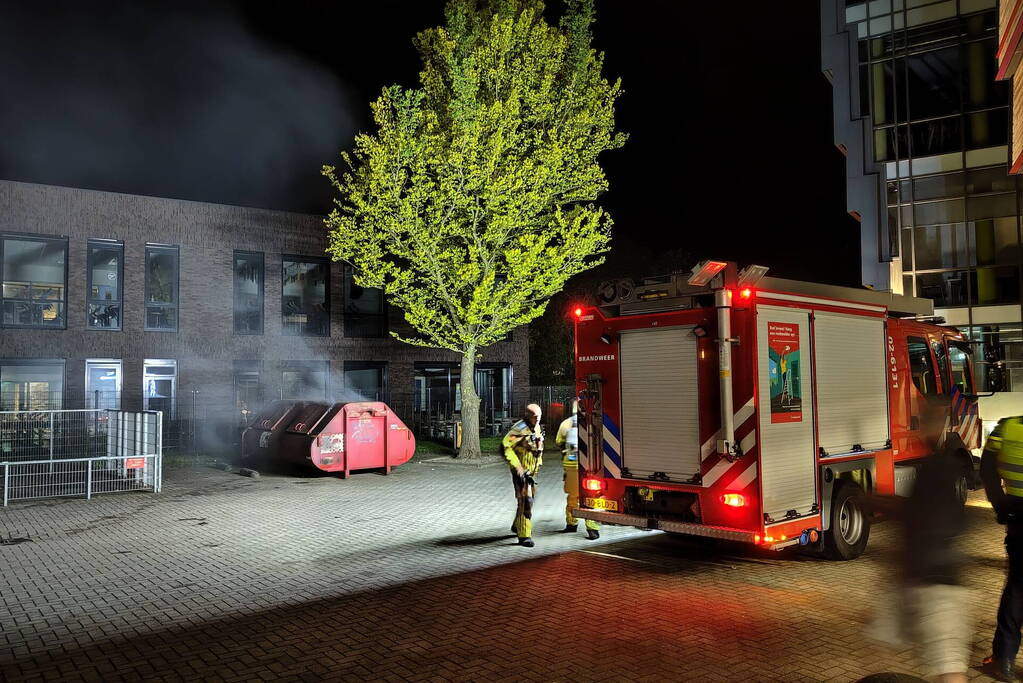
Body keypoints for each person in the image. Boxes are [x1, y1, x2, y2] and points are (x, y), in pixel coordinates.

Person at [899, 398, 971, 683]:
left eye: (931, 421)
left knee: (949, 665)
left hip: (939, 581)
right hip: (938, 579)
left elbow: (936, 520)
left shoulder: (939, 466)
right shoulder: (941, 465)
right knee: (945, 663)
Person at [982, 415, 1023, 681]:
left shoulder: (1008, 427)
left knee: (1017, 590)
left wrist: (1001, 508)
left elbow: (986, 469)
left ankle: (1004, 661)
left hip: (1020, 518)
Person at [556, 399, 600, 540]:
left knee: (573, 497)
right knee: (591, 497)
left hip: (572, 467)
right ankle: (592, 529)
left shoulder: (566, 424)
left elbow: (560, 443)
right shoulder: (595, 422)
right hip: (591, 467)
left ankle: (572, 524)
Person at [502, 403, 544, 547]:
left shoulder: (536, 427)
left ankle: (518, 525)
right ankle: (524, 536)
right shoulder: (519, 429)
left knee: (527, 501)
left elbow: (537, 446)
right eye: (535, 417)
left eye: (539, 416)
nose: (537, 419)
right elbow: (505, 447)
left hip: (532, 472)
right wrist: (518, 467)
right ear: (528, 416)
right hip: (522, 472)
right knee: (526, 502)